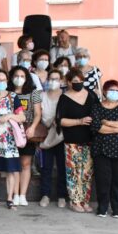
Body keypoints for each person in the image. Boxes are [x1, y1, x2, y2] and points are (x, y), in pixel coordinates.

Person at [90, 80, 118, 218]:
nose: (115, 93)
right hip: (101, 150)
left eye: (117, 90)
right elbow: (97, 128)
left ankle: (117, 209)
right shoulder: (97, 107)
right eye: (111, 90)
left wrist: (107, 122)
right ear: (104, 91)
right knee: (103, 181)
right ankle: (102, 208)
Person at [56, 69, 97, 213]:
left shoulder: (91, 95)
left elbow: (99, 114)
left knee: (87, 172)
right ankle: (75, 201)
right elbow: (60, 121)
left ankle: (85, 201)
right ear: (68, 82)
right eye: (75, 81)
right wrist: (79, 121)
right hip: (71, 141)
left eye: (81, 81)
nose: (78, 83)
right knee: (73, 172)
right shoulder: (64, 98)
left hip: (89, 140)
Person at [0, 69, 25, 209]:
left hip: (9, 140)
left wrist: (9, 116)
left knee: (10, 169)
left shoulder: (13, 97)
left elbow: (22, 117)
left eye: (3, 80)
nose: (1, 82)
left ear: (7, 81)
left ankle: (9, 199)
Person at [8, 65, 42, 206]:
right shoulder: (8, 93)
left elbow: (38, 113)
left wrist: (33, 127)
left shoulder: (33, 92)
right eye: (16, 76)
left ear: (27, 78)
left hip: (27, 131)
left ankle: (23, 195)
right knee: (14, 164)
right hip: (11, 132)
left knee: (26, 164)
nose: (19, 79)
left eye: (22, 76)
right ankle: (15, 194)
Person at [39, 70, 67, 208]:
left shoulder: (65, 96)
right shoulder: (42, 96)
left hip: (62, 136)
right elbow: (38, 114)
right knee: (46, 167)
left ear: (61, 81)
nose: (53, 82)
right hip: (46, 136)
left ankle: (62, 196)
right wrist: (49, 122)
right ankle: (45, 195)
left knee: (62, 167)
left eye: (56, 79)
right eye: (50, 79)